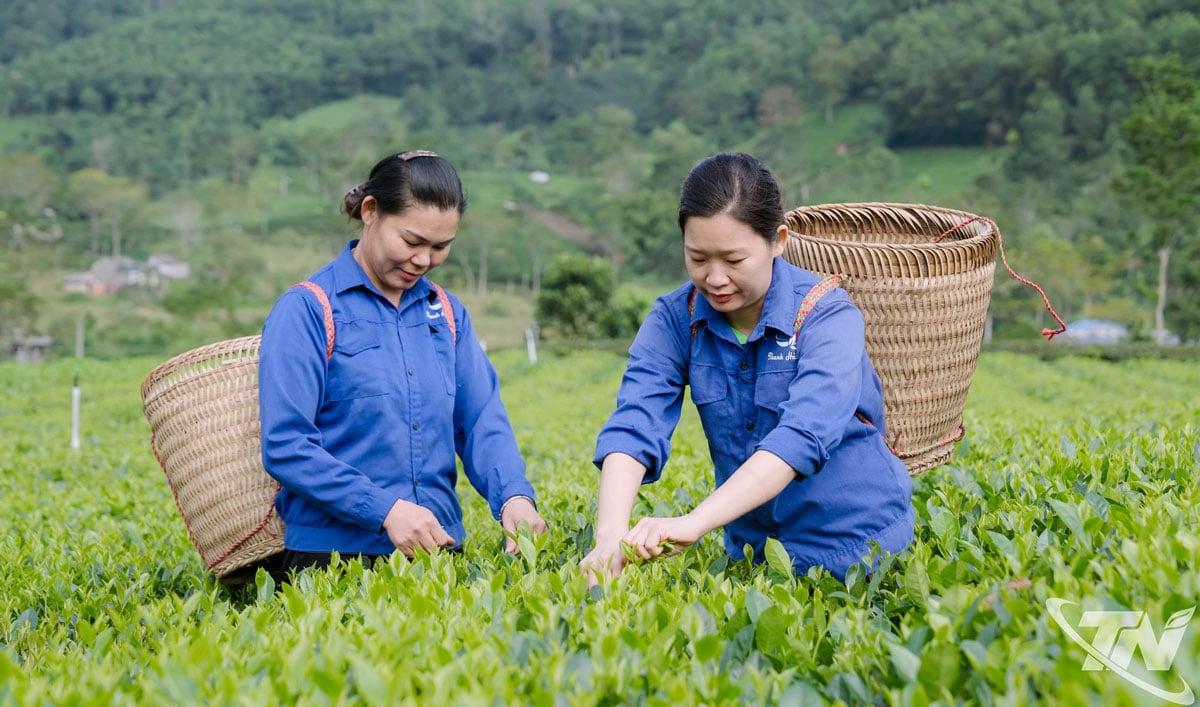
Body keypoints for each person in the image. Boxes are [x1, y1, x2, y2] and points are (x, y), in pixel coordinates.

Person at [579, 152, 914, 584]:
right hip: (754, 554)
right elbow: (634, 426)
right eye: (698, 258)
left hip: (858, 547)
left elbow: (801, 436)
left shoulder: (826, 316)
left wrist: (695, 521)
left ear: (778, 240)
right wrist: (609, 540)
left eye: (734, 261)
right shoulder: (674, 319)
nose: (715, 278)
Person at [259, 150, 546, 578]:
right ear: (371, 211)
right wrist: (385, 510)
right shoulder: (307, 310)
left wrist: (513, 498)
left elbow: (482, 421)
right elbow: (286, 445)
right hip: (332, 559)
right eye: (412, 242)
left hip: (438, 556)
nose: (424, 260)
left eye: (440, 247)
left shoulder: (447, 314)